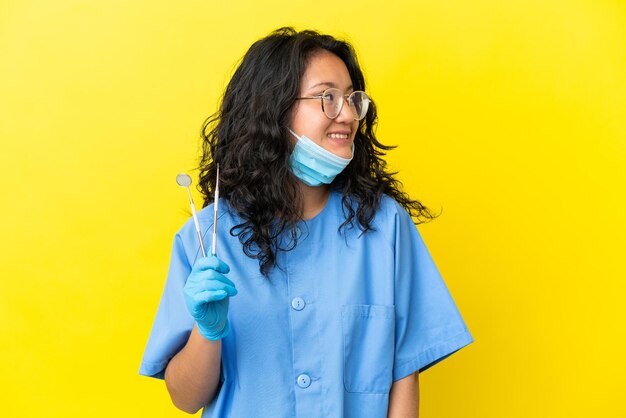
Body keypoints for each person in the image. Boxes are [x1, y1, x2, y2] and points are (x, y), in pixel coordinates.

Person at [139, 27, 473, 418]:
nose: (347, 114)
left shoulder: (385, 228)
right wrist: (206, 332)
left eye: (352, 98)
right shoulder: (208, 238)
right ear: (273, 110)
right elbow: (186, 398)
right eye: (327, 97)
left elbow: (404, 374)